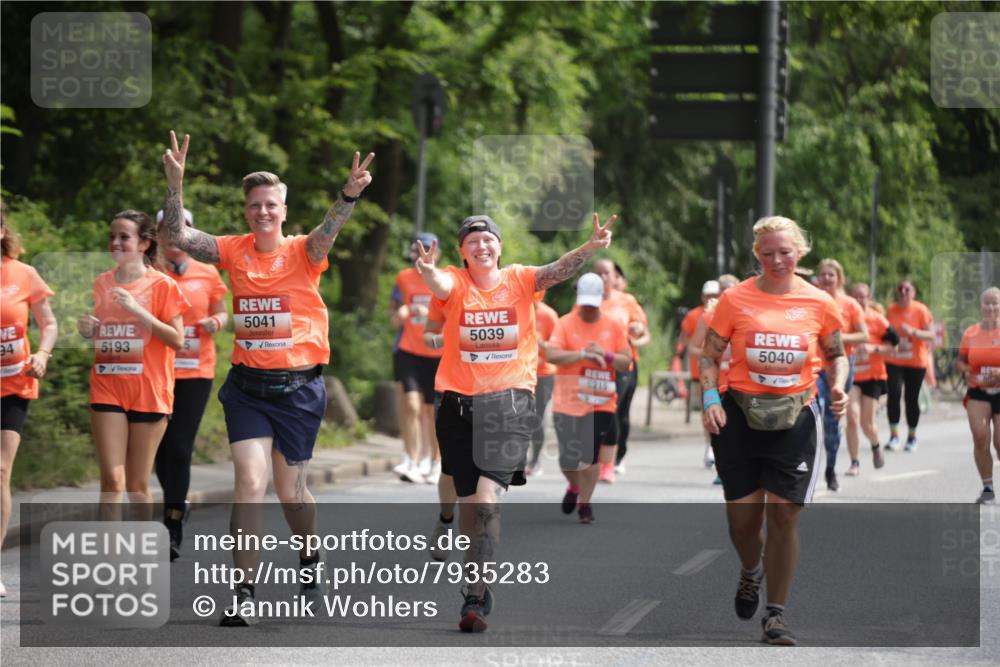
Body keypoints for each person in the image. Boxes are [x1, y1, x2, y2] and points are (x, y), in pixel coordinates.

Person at [161, 131, 373, 625]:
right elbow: (177, 238)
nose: (262, 212)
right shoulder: (233, 251)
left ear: (282, 209)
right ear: (246, 210)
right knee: (249, 485)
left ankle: (309, 555)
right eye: (255, 205)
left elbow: (328, 231)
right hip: (248, 390)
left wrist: (349, 196)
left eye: (270, 204)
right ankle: (244, 592)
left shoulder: (305, 252)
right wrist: (175, 184)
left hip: (299, 389)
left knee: (291, 494)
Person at [416, 211, 617, 632]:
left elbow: (556, 270)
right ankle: (475, 580)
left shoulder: (521, 280)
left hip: (508, 405)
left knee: (488, 500)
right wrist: (429, 271)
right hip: (456, 406)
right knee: (472, 508)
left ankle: (475, 597)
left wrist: (590, 247)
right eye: (472, 242)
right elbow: (441, 284)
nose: (481, 246)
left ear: (500, 247)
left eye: (488, 239)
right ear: (462, 252)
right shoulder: (454, 281)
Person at [701, 216, 847, 646]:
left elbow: (836, 354)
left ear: (799, 252)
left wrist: (837, 384)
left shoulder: (819, 302)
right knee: (743, 524)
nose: (777, 260)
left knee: (784, 516)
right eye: (768, 254)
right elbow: (709, 356)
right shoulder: (734, 299)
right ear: (756, 255)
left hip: (796, 418)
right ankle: (751, 571)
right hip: (739, 417)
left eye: (785, 252)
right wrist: (710, 400)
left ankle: (776, 614)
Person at [77, 210, 187, 522]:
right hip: (108, 385)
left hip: (149, 391)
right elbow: (109, 335)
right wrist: (89, 329)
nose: (115, 242)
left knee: (138, 485)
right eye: (112, 236)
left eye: (124, 236)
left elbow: (177, 340)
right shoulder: (102, 282)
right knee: (112, 480)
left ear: (144, 243)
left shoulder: (163, 285)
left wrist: (138, 310)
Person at [154, 208, 229, 560]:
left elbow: (223, 311)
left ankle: (172, 524)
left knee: (181, 448)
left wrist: (216, 321)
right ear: (156, 235)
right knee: (158, 451)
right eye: (167, 230)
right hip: (156, 371)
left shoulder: (208, 271)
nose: (173, 236)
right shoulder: (149, 273)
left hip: (196, 371)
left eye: (180, 229)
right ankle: (177, 501)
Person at [0, 209, 58, 598]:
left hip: (13, 384)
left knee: (1, 469)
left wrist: (42, 354)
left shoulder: (22, 274)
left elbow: (49, 323)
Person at [544, 273, 630, 523]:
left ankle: (585, 504)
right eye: (586, 304)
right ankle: (574, 487)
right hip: (568, 401)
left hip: (601, 401)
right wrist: (582, 354)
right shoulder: (565, 323)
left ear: (602, 299)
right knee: (567, 458)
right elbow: (551, 355)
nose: (590, 310)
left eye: (594, 304)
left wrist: (607, 355)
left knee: (590, 454)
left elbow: (627, 363)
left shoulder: (613, 326)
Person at [390, 233, 444, 484]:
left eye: (427, 250)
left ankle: (435, 461)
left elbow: (454, 317)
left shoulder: (445, 280)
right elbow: (393, 314)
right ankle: (411, 460)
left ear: (437, 254)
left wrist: (429, 314)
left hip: (437, 352)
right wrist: (400, 312)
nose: (420, 255)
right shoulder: (403, 278)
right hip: (409, 350)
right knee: (411, 404)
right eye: (417, 250)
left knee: (433, 411)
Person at [592, 258, 649, 481]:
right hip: (594, 365)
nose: (603, 277)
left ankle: (612, 460)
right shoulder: (586, 300)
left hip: (622, 364)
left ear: (615, 276)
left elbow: (643, 331)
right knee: (596, 412)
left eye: (607, 273)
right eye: (598, 273)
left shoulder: (626, 301)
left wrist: (637, 331)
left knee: (615, 411)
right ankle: (599, 455)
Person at [814, 259, 868, 491]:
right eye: (823, 274)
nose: (827, 279)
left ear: (839, 278)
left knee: (832, 421)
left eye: (831, 275)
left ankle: (831, 468)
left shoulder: (850, 304)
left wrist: (837, 339)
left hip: (841, 366)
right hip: (815, 366)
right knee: (808, 416)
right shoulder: (811, 300)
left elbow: (863, 336)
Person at [689, 274, 739, 481]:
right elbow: (692, 348)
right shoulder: (709, 316)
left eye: (730, 289)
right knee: (718, 425)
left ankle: (735, 467)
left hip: (739, 383)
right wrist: (711, 354)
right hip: (716, 382)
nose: (726, 294)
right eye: (722, 290)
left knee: (736, 428)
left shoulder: (748, 316)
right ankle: (720, 465)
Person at [847, 282, 898, 474]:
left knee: (867, 424)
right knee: (852, 417)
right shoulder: (846, 317)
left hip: (873, 377)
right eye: (856, 296)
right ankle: (855, 462)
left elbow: (895, 346)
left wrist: (873, 348)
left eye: (863, 296)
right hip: (852, 375)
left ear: (869, 298)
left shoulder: (878, 320)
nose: (859, 300)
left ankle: (876, 445)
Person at [957, 286, 1000, 504]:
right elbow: (961, 361)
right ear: (980, 306)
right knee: (980, 436)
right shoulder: (971, 333)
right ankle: (987, 488)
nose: (991, 307)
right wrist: (965, 371)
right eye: (987, 303)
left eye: (995, 302)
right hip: (978, 391)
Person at [884, 279, 935, 451]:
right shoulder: (891, 310)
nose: (904, 292)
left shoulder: (921, 310)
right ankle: (894, 435)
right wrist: (894, 339)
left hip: (915, 361)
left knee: (911, 399)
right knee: (894, 394)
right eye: (901, 289)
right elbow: (883, 333)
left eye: (907, 289)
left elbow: (931, 335)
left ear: (913, 292)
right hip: (894, 360)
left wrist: (913, 332)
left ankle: (912, 437)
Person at [525, 291, 559, 476]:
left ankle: (535, 460)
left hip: (544, 374)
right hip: (521, 373)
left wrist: (540, 343)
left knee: (537, 417)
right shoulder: (516, 311)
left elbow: (558, 348)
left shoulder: (548, 315)